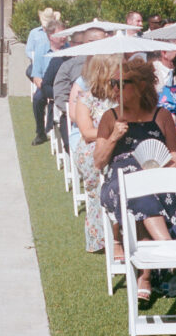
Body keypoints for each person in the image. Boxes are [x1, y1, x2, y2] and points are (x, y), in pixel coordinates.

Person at [95, 58, 176, 304]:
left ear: (142, 85)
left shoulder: (161, 115)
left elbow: (175, 154)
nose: (115, 89)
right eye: (113, 83)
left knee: (144, 195)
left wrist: (165, 167)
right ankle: (167, 248)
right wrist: (113, 137)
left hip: (158, 179)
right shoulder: (110, 117)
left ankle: (145, 276)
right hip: (120, 184)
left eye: (123, 83)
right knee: (135, 189)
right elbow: (99, 162)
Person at [70, 54, 119, 254]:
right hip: (93, 147)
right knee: (102, 169)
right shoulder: (86, 98)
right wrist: (112, 134)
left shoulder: (121, 95)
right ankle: (104, 238)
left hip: (117, 143)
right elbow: (87, 132)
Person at [25, 8, 60, 145]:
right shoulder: (36, 38)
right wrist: (44, 87)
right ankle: (41, 132)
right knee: (38, 98)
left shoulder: (66, 47)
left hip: (61, 83)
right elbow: (30, 53)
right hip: (45, 80)